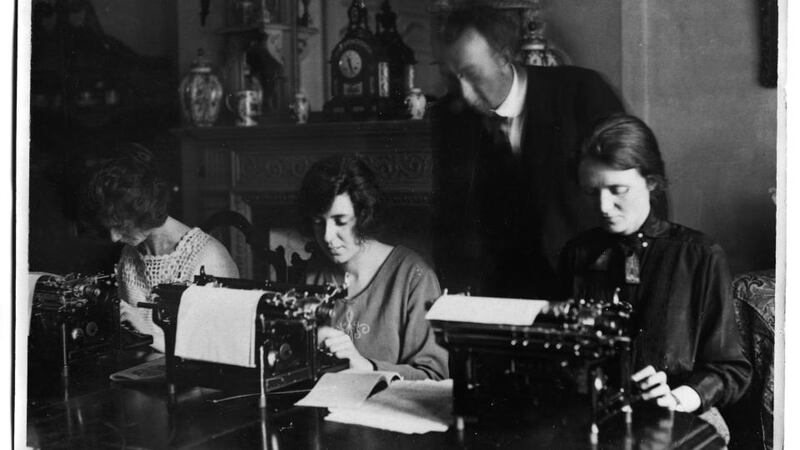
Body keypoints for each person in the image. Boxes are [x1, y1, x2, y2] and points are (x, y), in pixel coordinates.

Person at [557, 114, 751, 441]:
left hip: (680, 418)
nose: (604, 206)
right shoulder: (578, 254)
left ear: (651, 181)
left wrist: (678, 398)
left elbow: (731, 369)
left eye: (618, 190)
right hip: (595, 419)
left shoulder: (699, 256)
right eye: (593, 192)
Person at [432, 7, 625, 298]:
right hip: (502, 301)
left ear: (503, 56)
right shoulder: (449, 117)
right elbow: (449, 225)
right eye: (450, 76)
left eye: (472, 74)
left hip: (590, 290)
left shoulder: (582, 93)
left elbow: (641, 193)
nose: (465, 95)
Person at [299, 154, 448, 381]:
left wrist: (366, 367)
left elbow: (435, 376)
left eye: (340, 221)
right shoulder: (314, 273)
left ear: (363, 215)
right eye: (319, 222)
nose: (328, 237)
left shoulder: (413, 276)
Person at [85, 146, 239, 352]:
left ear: (145, 212)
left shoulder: (209, 258)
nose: (113, 237)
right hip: (143, 371)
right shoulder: (129, 255)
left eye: (121, 226)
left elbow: (217, 347)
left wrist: (147, 334)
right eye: (109, 227)